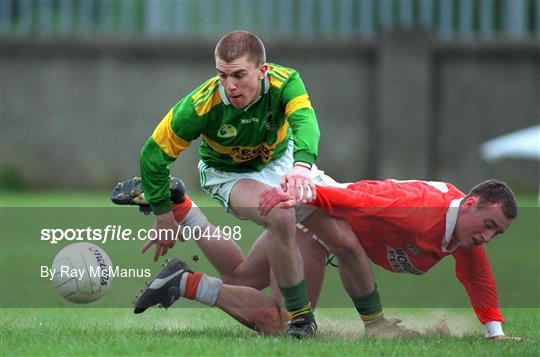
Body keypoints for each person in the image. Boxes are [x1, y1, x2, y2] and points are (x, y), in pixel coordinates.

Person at [137, 30, 380, 338]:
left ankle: (378, 325)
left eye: (239, 75)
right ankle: (302, 320)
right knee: (281, 216)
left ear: (262, 71)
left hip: (283, 165)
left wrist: (301, 168)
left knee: (339, 243)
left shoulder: (285, 82)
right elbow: (153, 154)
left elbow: (306, 122)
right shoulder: (201, 105)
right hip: (229, 174)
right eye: (222, 75)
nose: (230, 85)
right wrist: (162, 214)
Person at [112, 177, 416, 337]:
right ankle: (185, 283)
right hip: (310, 228)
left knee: (240, 276)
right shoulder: (428, 213)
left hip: (299, 212)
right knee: (287, 324)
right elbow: (348, 247)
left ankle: (185, 209)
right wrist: (375, 323)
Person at [258, 178, 522, 340]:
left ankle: (213, 277)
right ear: (468, 205)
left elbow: (478, 277)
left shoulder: (465, 231)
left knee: (240, 277)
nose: (487, 237)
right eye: (488, 225)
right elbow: (359, 201)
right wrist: (303, 193)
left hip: (335, 228)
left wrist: (495, 334)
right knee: (286, 323)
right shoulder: (421, 211)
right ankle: (213, 289)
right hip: (322, 220)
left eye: (495, 233)